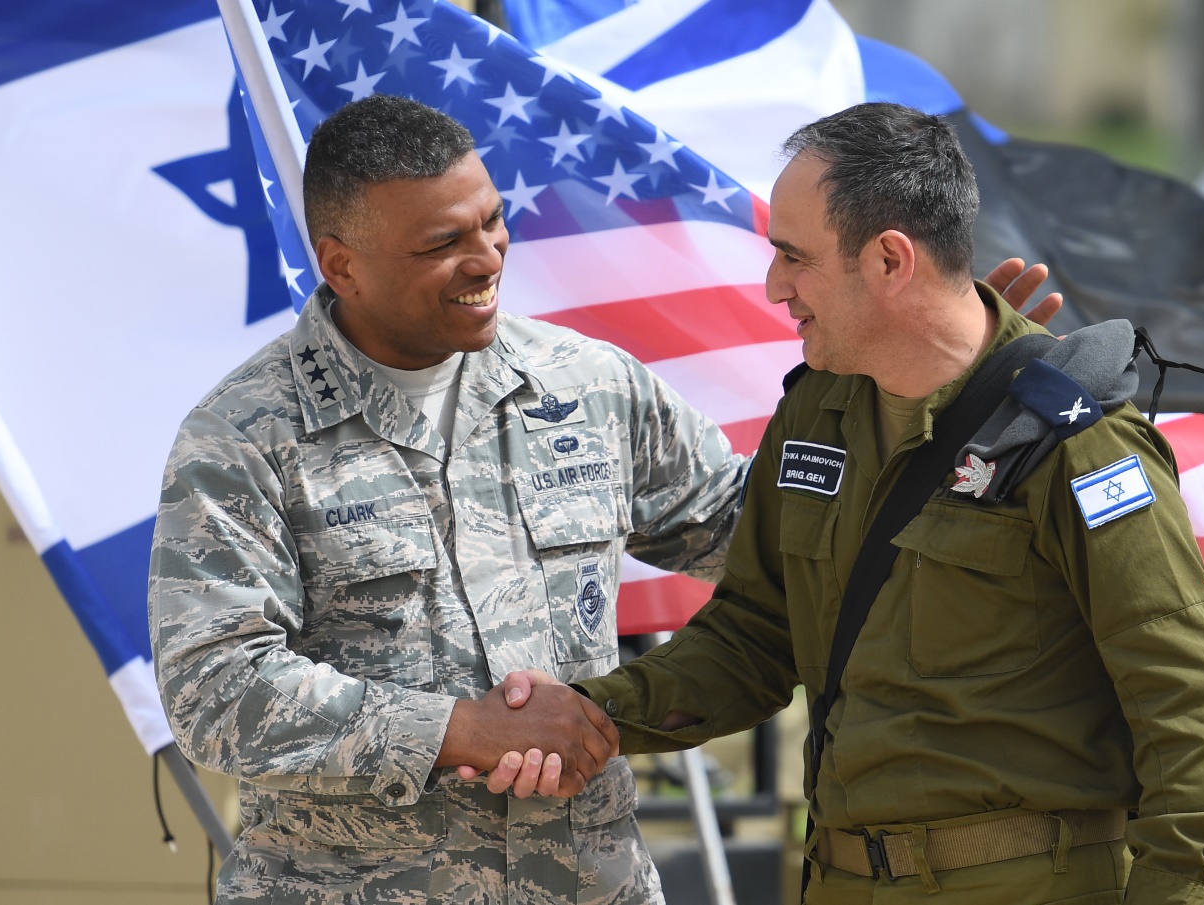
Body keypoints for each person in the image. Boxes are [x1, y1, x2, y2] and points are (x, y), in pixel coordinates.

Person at [149, 93, 1061, 904]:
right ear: (341, 266)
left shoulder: (586, 386)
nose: (486, 258)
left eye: (492, 223)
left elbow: (773, 534)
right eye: (442, 245)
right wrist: (456, 729)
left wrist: (940, 384)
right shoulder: (245, 436)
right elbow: (212, 687)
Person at [497, 103, 1204, 904]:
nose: (773, 286)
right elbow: (757, 633)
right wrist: (593, 712)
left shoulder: (1074, 442)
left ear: (890, 260)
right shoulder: (815, 413)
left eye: (795, 257)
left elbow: (1202, 720)